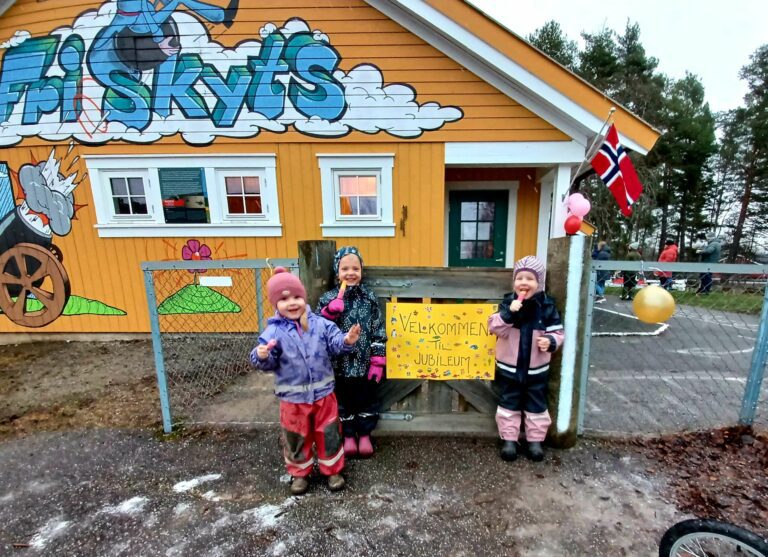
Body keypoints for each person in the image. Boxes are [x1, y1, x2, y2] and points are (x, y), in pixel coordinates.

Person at [250, 267, 361, 495]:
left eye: (297, 297)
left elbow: (335, 343)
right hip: (292, 399)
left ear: (304, 297)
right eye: (284, 299)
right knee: (296, 437)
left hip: (324, 395)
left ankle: (333, 470)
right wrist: (262, 355)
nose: (292, 303)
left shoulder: (320, 324)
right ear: (275, 303)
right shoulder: (273, 332)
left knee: (329, 433)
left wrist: (347, 340)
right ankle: (300, 473)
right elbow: (267, 362)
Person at [488, 256, 564, 462]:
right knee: (508, 403)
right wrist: (509, 313)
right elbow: (494, 328)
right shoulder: (507, 303)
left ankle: (535, 441)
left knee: (536, 405)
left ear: (539, 283)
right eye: (519, 278)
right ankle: (509, 440)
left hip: (536, 369)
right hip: (509, 368)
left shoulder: (546, 306)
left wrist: (550, 340)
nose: (524, 282)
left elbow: (558, 332)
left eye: (530, 279)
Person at [318, 246, 387, 458]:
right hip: (339, 364)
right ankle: (348, 435)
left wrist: (378, 359)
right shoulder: (327, 299)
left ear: (361, 271)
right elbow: (317, 330)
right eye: (345, 268)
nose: (350, 273)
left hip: (365, 363)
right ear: (337, 271)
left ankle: (364, 435)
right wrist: (329, 313)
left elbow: (378, 329)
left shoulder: (369, 297)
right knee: (343, 401)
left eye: (355, 268)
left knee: (367, 399)